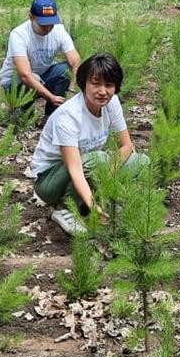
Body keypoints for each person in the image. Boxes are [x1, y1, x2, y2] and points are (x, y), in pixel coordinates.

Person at [30, 53, 149, 236]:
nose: (103, 91)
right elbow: (75, 169)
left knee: (140, 161)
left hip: (87, 166)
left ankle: (109, 203)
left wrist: (107, 175)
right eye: (96, 83)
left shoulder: (112, 103)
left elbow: (126, 146)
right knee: (98, 160)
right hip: (50, 180)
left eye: (109, 85)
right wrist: (94, 205)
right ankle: (65, 209)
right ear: (83, 83)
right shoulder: (69, 116)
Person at [0, 0, 81, 123]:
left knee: (66, 70)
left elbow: (75, 61)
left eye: (50, 24)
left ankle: (52, 115)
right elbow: (25, 74)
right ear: (31, 17)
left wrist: (71, 90)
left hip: (43, 76)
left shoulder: (59, 30)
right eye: (43, 25)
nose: (47, 29)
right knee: (31, 82)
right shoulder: (19, 35)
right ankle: (23, 112)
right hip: (15, 82)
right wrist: (50, 97)